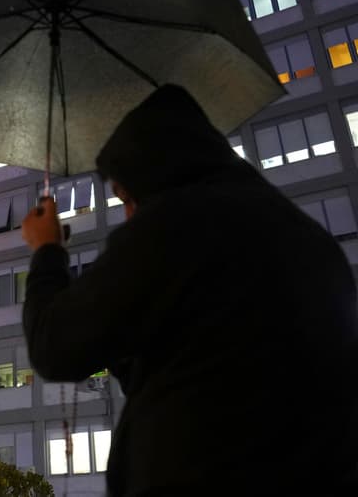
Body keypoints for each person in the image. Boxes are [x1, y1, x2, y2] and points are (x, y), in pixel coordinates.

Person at [21, 84, 358, 495]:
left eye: (127, 196)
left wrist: (47, 250)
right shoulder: (306, 236)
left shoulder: (172, 228)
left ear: (154, 173)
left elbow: (54, 347)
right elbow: (202, 358)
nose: (129, 213)